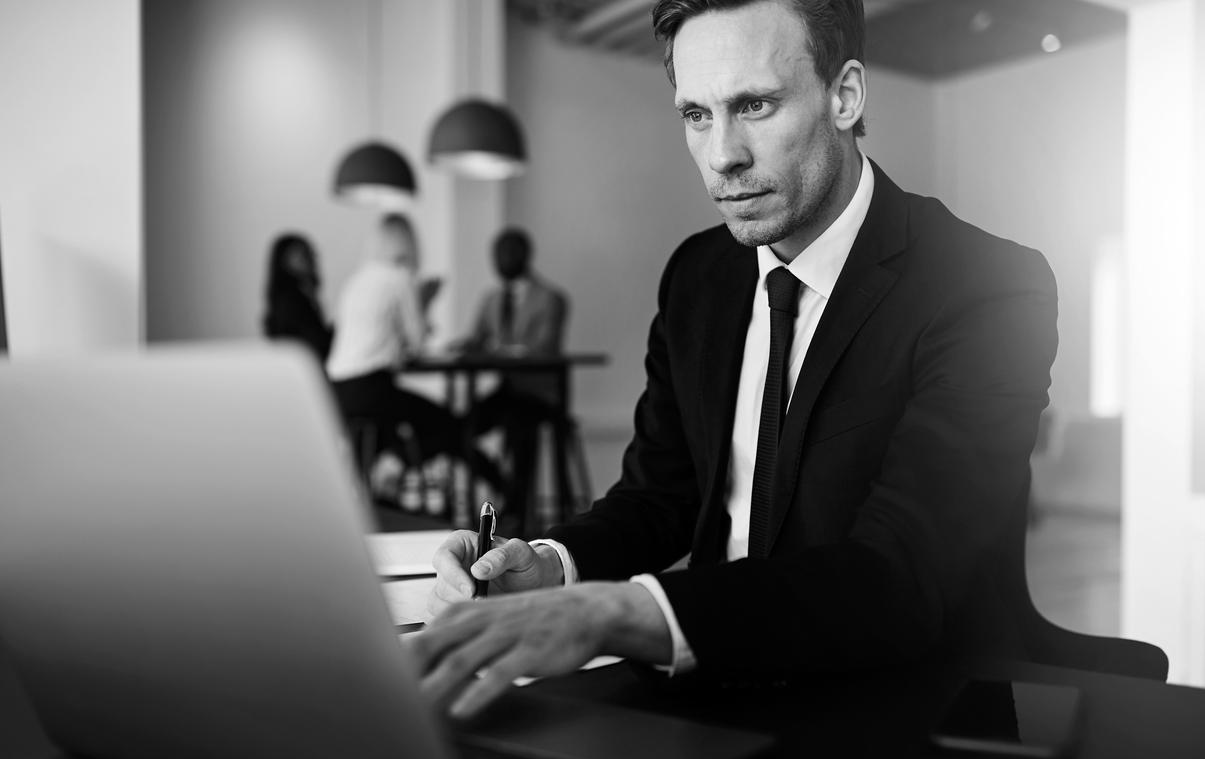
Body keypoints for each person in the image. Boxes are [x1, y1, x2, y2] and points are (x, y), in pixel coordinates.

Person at [409, 0, 1058, 719]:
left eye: (754, 105)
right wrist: (552, 566)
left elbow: (901, 578)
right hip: (709, 699)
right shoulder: (697, 276)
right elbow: (659, 496)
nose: (722, 155)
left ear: (843, 96)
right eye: (696, 115)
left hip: (906, 729)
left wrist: (610, 614)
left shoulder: (987, 284)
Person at [326, 214, 503, 502]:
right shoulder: (400, 277)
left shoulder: (356, 280)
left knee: (420, 426)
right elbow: (418, 341)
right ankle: (499, 487)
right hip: (371, 387)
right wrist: (425, 300)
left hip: (340, 391)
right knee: (449, 425)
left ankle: (386, 477)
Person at [460, 228, 570, 532]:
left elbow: (544, 347)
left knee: (519, 427)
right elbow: (477, 339)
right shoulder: (491, 298)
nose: (502, 260)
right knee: (464, 428)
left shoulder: (550, 298)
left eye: (509, 253)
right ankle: (505, 491)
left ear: (524, 256)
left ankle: (518, 516)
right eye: (497, 253)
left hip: (539, 395)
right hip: (507, 390)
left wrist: (500, 350)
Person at [262, 233, 333, 362]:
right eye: (303, 254)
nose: (310, 259)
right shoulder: (290, 301)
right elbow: (315, 341)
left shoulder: (303, 294)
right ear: (283, 261)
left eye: (310, 253)